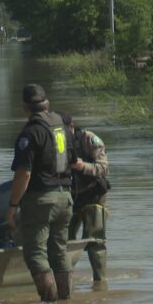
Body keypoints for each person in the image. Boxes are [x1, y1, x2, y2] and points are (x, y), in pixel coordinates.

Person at [6, 84, 76, 302]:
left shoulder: (30, 133)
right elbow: (73, 162)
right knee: (59, 252)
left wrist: (12, 205)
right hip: (65, 198)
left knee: (36, 253)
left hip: (41, 200)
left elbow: (23, 175)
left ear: (24, 109)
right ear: (47, 105)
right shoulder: (63, 128)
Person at [62, 114, 110, 291]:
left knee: (95, 242)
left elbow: (103, 168)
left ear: (71, 127)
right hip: (70, 198)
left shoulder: (89, 139)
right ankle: (66, 282)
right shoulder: (55, 143)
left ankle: (100, 283)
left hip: (93, 196)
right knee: (64, 241)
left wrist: (82, 166)